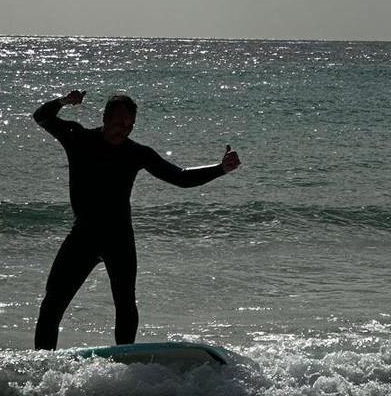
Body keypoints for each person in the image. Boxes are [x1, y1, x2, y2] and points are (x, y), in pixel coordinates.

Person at [32, 89, 241, 350]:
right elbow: (40, 116)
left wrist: (220, 169)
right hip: (83, 236)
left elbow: (181, 177)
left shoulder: (137, 153)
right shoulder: (78, 137)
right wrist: (62, 101)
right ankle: (43, 363)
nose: (124, 130)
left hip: (118, 238)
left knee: (125, 304)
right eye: (120, 123)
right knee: (52, 304)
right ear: (105, 117)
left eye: (130, 125)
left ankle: (125, 360)